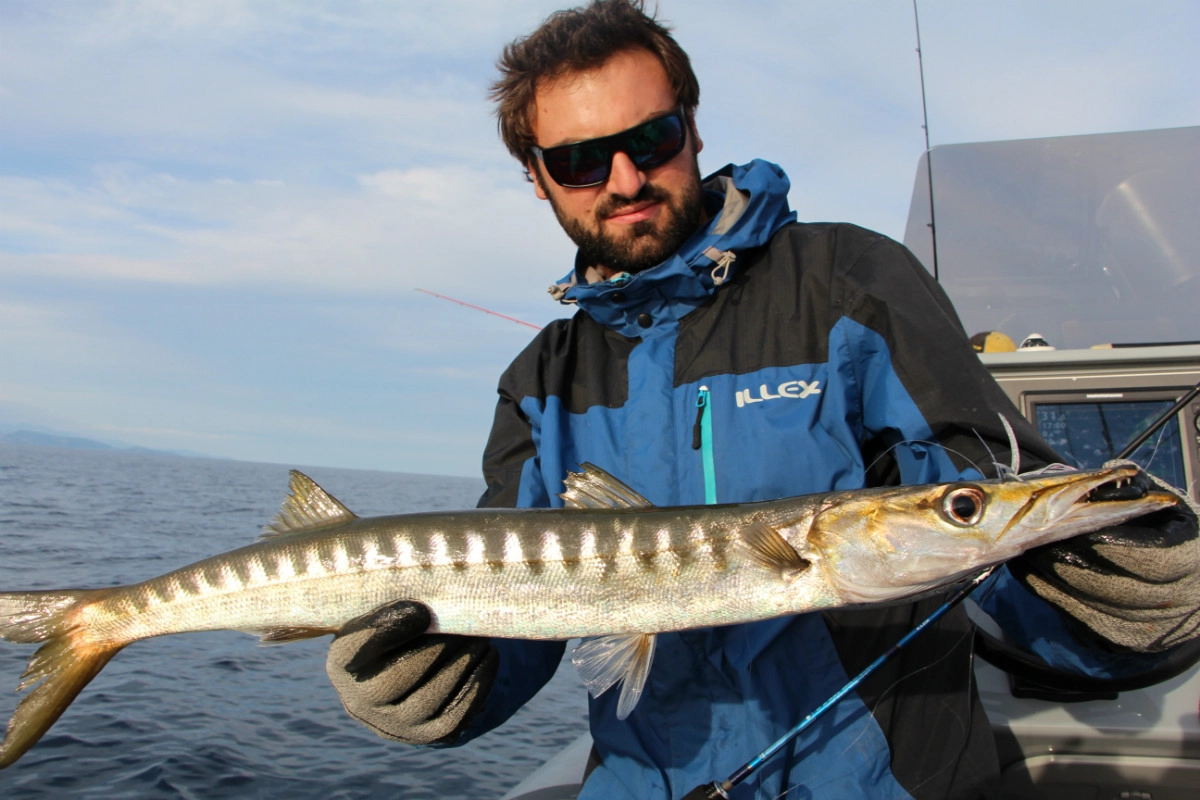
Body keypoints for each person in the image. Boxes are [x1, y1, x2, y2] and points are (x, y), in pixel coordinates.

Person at [324, 2, 1200, 797]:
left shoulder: (851, 284)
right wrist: (435, 684)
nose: (625, 180)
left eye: (653, 137)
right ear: (537, 175)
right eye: (582, 160)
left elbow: (979, 499)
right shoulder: (538, 384)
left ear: (695, 129)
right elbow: (524, 627)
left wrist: (1113, 597)